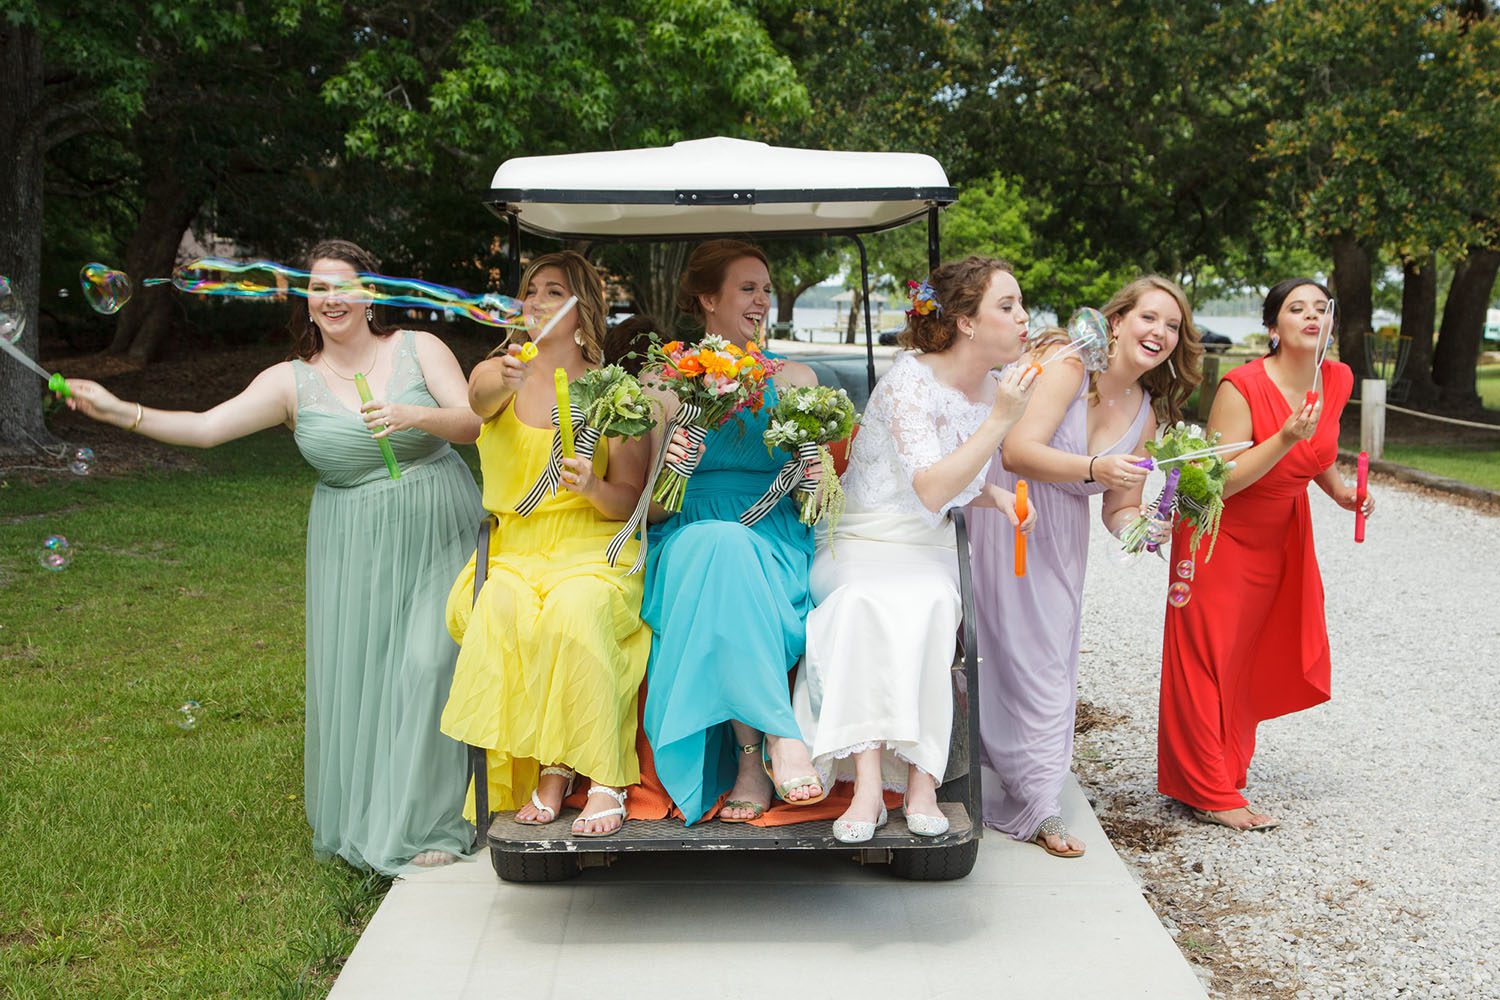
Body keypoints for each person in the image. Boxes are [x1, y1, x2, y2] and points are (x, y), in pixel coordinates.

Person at [63, 239, 484, 873]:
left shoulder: (419, 350)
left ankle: (432, 820)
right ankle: (380, 808)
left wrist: (407, 414)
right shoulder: (292, 381)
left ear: (371, 294)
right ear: (306, 302)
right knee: (371, 679)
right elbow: (207, 428)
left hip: (439, 526)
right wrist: (120, 410)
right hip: (353, 545)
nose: (331, 297)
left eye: (343, 285)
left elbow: (470, 422)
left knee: (428, 663)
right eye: (318, 288)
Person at [791, 257, 1039, 844]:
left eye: (1020, 304)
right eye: (1007, 306)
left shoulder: (996, 390)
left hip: (923, 546)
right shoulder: (910, 378)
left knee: (930, 604)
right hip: (860, 538)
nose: (1023, 317)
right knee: (862, 604)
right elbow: (928, 484)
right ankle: (871, 786)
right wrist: (1001, 421)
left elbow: (954, 482)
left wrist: (996, 498)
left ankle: (924, 782)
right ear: (966, 323)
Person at [972, 275, 1203, 857]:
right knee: (1008, 654)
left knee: (1050, 662)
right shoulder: (1070, 365)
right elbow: (1016, 450)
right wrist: (1095, 467)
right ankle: (1030, 798)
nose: (1161, 333)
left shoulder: (1146, 414)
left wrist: (1142, 531)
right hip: (1010, 515)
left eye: (1173, 326)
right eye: (1150, 318)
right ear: (1119, 320)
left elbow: (1119, 507)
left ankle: (1032, 791)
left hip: (1064, 538)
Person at [440, 251, 651, 838]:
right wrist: (503, 377)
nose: (533, 302)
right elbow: (478, 401)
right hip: (515, 548)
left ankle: (600, 776)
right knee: (499, 610)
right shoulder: (499, 371)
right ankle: (540, 767)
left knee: (575, 611)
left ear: (582, 307)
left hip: (594, 546)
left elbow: (629, 498)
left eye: (551, 292)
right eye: (529, 292)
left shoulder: (617, 393)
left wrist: (591, 487)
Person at [1158, 278, 1373, 832]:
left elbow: (1318, 451)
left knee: (1245, 659)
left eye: (1321, 309)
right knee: (1207, 655)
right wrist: (1280, 437)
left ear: (1330, 324)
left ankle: (1218, 771)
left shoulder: (1338, 379)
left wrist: (1342, 492)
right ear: (1272, 327)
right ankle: (1207, 790)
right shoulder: (1241, 386)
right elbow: (1216, 484)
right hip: (1219, 534)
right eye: (1295, 308)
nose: (1310, 316)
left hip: (1280, 537)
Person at [640, 238, 826, 825]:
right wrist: (672, 468)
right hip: (687, 533)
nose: (762, 300)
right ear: (707, 299)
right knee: (719, 546)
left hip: (772, 534)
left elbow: (814, 506)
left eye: (766, 289)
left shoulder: (794, 378)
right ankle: (773, 740)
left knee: (733, 549)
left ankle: (755, 757)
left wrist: (813, 477)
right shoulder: (664, 381)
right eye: (748, 288)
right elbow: (647, 513)